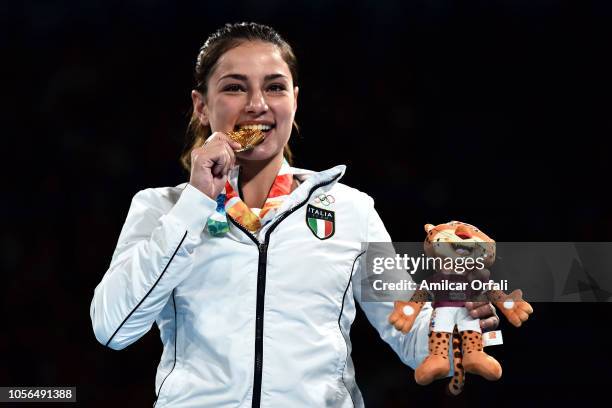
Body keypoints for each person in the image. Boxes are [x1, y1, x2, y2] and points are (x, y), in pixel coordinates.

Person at [90, 22, 498, 408]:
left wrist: (461, 321)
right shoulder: (161, 208)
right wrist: (196, 202)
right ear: (201, 106)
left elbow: (411, 340)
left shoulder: (352, 210)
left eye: (275, 87)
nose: (257, 105)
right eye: (234, 87)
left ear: (295, 100)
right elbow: (113, 328)